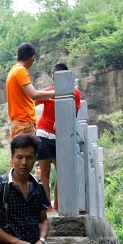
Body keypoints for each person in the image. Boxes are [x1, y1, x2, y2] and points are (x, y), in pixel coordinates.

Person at [35, 63, 81, 211]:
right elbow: (32, 102)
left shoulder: (75, 93)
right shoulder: (49, 92)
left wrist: (62, 120)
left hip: (62, 137)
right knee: (45, 171)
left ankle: (58, 206)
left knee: (61, 173)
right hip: (43, 133)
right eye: (55, 78)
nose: (57, 81)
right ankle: (47, 207)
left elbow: (74, 114)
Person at [6, 42, 55, 140]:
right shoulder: (21, 71)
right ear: (32, 58)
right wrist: (55, 93)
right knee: (26, 150)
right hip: (24, 122)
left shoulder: (13, 71)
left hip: (20, 122)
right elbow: (34, 94)